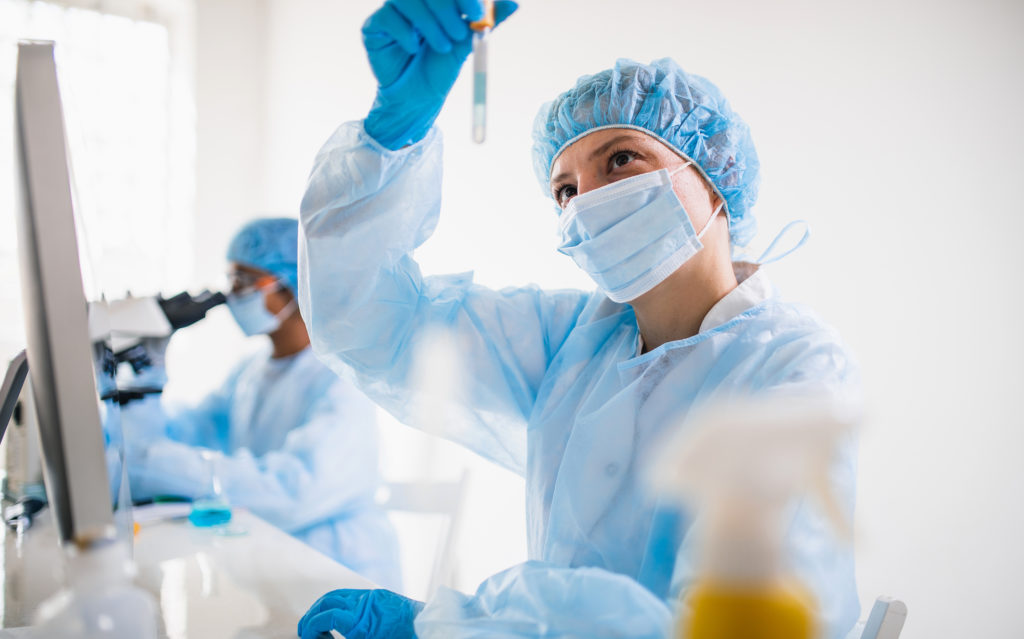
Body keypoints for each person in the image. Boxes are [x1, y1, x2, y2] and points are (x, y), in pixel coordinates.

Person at [295, 1, 859, 638]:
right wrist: (391, 136)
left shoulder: (791, 367)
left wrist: (451, 628)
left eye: (620, 160)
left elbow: (726, 625)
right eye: (565, 189)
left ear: (715, 176)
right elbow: (370, 326)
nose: (587, 202)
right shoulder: (571, 343)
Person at [122, 217, 401, 590]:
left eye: (244, 283)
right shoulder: (251, 373)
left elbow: (294, 492)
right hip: (276, 567)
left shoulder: (340, 379)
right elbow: (179, 436)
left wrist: (171, 467)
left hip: (342, 575)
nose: (230, 296)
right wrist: (145, 378)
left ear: (294, 286)